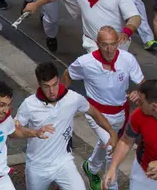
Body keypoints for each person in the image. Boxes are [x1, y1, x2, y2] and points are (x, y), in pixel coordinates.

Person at [61, 26, 145, 190]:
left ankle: (91, 167)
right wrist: (62, 102)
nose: (109, 49)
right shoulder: (85, 62)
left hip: (120, 113)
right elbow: (67, 75)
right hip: (96, 113)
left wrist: (138, 92)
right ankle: (110, 186)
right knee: (112, 148)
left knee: (104, 143)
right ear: (97, 43)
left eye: (113, 44)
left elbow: (142, 84)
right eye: (105, 44)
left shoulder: (127, 59)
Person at [16, 62, 117, 190]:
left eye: (55, 85)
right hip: (37, 166)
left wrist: (111, 132)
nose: (52, 92)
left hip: (64, 163)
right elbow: (14, 132)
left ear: (58, 80)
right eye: (46, 87)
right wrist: (34, 133)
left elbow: (95, 113)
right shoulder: (29, 105)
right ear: (39, 84)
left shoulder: (73, 98)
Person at [104, 80, 157, 190]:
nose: (138, 104)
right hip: (144, 172)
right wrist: (113, 168)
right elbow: (125, 141)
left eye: (141, 102)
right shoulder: (139, 115)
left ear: (154, 106)